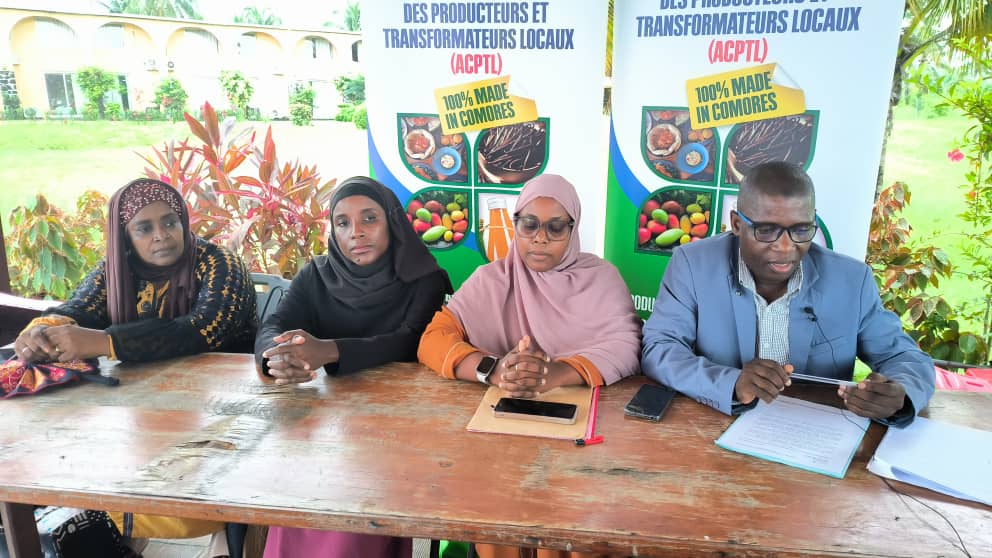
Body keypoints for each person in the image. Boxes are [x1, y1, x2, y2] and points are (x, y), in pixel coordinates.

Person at [13, 177, 259, 557]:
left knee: (210, 493)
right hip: (147, 410)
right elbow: (78, 310)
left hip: (229, 414)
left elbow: (198, 331)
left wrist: (104, 342)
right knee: (100, 462)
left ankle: (225, 538)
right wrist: (42, 332)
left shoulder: (220, 265)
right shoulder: (116, 271)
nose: (161, 235)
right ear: (125, 236)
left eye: (170, 222)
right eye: (145, 228)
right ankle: (122, 536)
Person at [418, 174, 641, 558]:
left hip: (581, 445)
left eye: (556, 227)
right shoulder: (492, 279)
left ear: (574, 229)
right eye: (529, 225)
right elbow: (433, 339)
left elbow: (628, 346)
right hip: (504, 436)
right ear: (516, 225)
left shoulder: (601, 279)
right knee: (495, 517)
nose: (540, 238)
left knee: (581, 527)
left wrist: (555, 373)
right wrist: (494, 369)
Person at [641, 162, 934, 426]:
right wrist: (731, 383)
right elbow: (660, 347)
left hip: (816, 436)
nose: (785, 246)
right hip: (713, 429)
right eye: (767, 230)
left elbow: (905, 357)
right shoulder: (693, 266)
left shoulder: (851, 281)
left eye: (801, 229)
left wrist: (899, 395)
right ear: (737, 224)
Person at [255, 176, 451, 557]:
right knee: (295, 507)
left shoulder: (423, 278)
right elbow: (273, 325)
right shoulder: (317, 275)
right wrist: (276, 358)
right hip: (324, 423)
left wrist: (328, 351)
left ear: (391, 223)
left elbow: (410, 341)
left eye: (369, 219)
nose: (356, 233)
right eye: (343, 223)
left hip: (396, 429)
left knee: (351, 524)